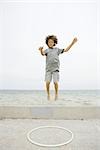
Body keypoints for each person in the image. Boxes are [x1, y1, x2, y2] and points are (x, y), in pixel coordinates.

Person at [38, 35, 77, 100]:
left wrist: (72, 43)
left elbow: (66, 50)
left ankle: (56, 94)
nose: (50, 43)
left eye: (51, 42)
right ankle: (48, 94)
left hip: (55, 69)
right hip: (48, 70)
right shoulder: (46, 50)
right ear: (47, 43)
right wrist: (40, 50)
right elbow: (42, 54)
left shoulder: (57, 50)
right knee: (47, 82)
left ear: (54, 43)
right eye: (49, 42)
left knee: (55, 82)